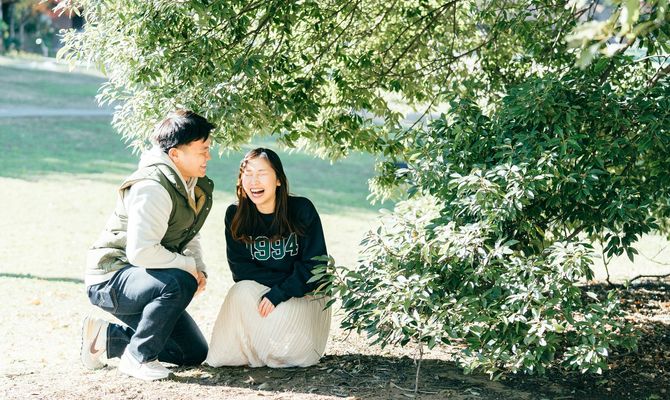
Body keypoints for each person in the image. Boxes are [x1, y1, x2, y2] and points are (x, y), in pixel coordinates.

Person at [81, 110, 215, 381]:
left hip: (143, 277)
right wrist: (187, 267)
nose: (208, 157)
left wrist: (199, 268)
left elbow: (189, 233)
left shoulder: (188, 182)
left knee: (192, 352)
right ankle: (138, 357)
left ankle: (106, 337)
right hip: (111, 279)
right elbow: (140, 252)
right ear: (175, 154)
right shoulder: (152, 186)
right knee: (179, 281)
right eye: (202, 150)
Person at [206, 148, 331, 368]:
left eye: (262, 173)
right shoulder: (235, 215)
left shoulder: (301, 210)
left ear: (279, 180)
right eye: (248, 173)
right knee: (240, 291)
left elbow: (315, 266)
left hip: (304, 294)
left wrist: (280, 293)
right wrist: (274, 293)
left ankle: (282, 350)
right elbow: (241, 270)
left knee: (295, 356)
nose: (254, 181)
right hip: (268, 293)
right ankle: (247, 352)